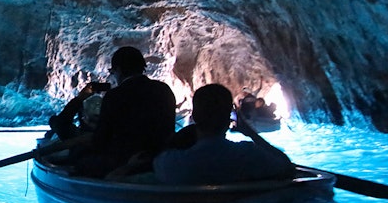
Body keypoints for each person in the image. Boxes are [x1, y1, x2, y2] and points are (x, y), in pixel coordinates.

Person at [154, 83, 295, 185]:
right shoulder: (248, 155)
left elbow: (157, 162)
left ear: (194, 116)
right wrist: (251, 133)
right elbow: (286, 166)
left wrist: (177, 139)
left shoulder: (171, 163)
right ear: (229, 118)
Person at [78, 46, 177, 178]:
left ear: (118, 69)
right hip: (160, 158)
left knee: (80, 161)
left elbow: (100, 140)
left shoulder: (115, 96)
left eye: (112, 71)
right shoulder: (164, 89)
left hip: (122, 161)